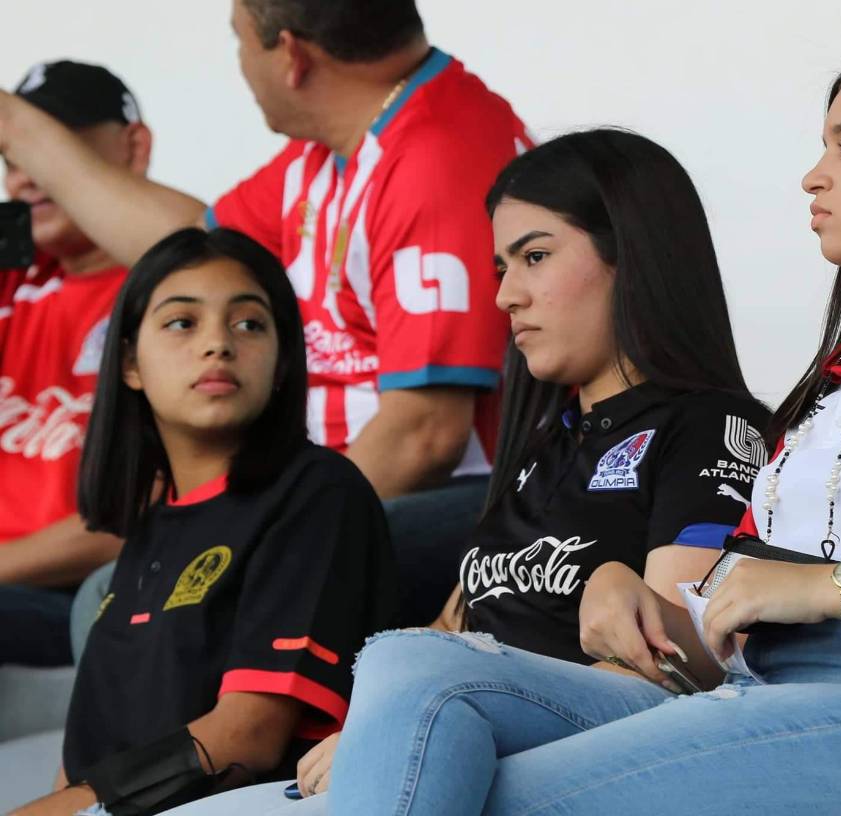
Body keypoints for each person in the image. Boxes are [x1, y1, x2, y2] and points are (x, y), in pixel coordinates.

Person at [319, 38, 841, 814]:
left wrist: (833, 586)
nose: (813, 177)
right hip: (766, 690)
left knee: (480, 796)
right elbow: (730, 620)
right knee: (407, 662)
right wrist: (633, 605)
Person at [157, 128, 771, 814]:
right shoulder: (542, 447)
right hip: (455, 731)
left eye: (534, 257)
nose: (507, 295)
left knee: (403, 667)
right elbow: (455, 631)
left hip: (591, 758)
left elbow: (676, 664)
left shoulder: (711, 422)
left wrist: (415, 708)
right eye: (500, 269)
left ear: (632, 255)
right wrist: (381, 725)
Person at [0, 0, 532, 626]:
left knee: (140, 603)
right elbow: (191, 245)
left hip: (463, 499)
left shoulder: (435, 157)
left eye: (239, 42)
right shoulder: (336, 149)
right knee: (126, 595)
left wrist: (262, 535)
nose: (240, 66)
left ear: (291, 55)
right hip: (346, 489)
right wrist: (17, 128)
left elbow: (425, 437)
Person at [10, 228, 397, 816]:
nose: (218, 343)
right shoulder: (149, 531)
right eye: (182, 323)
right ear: (130, 365)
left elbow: (247, 737)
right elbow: (79, 762)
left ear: (282, 362)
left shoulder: (317, 492)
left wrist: (65, 809)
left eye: (249, 324)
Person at [0, 61, 150, 667]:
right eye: (13, 158)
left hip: (87, 594)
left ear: (133, 147)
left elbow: (140, 513)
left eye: (55, 149)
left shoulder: (178, 290)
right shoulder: (13, 282)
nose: (30, 177)